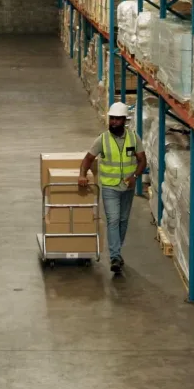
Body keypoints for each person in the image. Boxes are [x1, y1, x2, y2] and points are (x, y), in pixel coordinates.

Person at [78, 102, 146, 275]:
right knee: (113, 220)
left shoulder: (133, 138)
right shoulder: (103, 139)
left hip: (128, 187)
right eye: (112, 119)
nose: (114, 122)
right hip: (109, 187)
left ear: (124, 120)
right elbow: (87, 159)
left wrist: (135, 177)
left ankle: (117, 252)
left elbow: (142, 160)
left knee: (123, 221)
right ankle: (115, 256)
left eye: (117, 119)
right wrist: (82, 174)